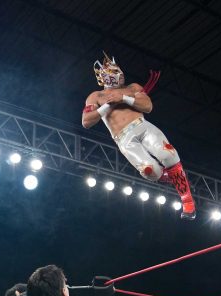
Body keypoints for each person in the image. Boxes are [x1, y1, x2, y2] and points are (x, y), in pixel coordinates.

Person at [82, 52, 195, 220]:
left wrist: (124, 98)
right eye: (115, 72)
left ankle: (187, 201)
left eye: (119, 71)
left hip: (142, 126)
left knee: (168, 154)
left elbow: (148, 106)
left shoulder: (132, 88)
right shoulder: (96, 96)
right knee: (150, 171)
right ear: (105, 77)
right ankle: (171, 177)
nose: (120, 75)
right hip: (123, 138)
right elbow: (86, 121)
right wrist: (107, 106)